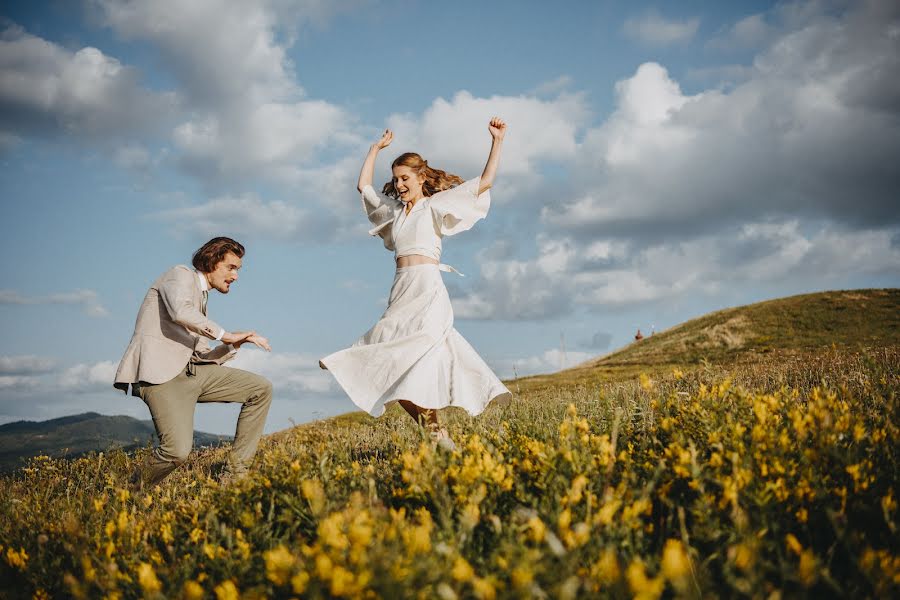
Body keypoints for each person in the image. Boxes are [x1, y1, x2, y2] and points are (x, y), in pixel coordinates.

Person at [319, 118, 513, 449]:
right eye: (396, 180)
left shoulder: (435, 206)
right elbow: (363, 187)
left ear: (421, 177)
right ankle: (436, 433)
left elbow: (485, 182)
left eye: (405, 178)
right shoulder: (394, 213)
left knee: (417, 362)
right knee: (392, 366)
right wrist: (373, 150)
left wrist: (497, 141)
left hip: (428, 290)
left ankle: (438, 433)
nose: (400, 184)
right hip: (401, 291)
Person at [114, 237, 273, 487]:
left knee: (260, 388)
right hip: (162, 378)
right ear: (211, 261)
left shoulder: (201, 302)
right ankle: (126, 491)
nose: (236, 276)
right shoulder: (179, 275)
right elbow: (179, 311)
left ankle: (234, 479)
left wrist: (233, 344)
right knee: (176, 452)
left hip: (193, 373)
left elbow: (202, 356)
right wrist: (225, 334)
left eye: (238, 270)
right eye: (231, 267)